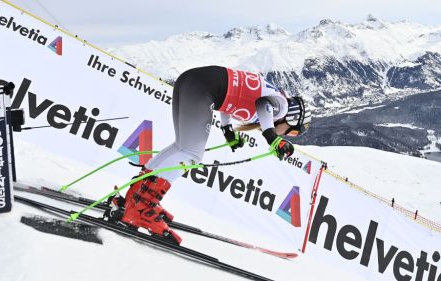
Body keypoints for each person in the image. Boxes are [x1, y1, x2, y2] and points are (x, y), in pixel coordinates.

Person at [106, 66, 312, 244]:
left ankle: (136, 198)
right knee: (191, 154)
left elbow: (231, 100)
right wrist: (272, 138)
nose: (289, 135)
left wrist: (227, 129)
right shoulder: (282, 105)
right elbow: (263, 105)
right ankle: (141, 209)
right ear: (293, 118)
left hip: (192, 82)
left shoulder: (274, 98)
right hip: (200, 89)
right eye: (293, 132)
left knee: (181, 148)